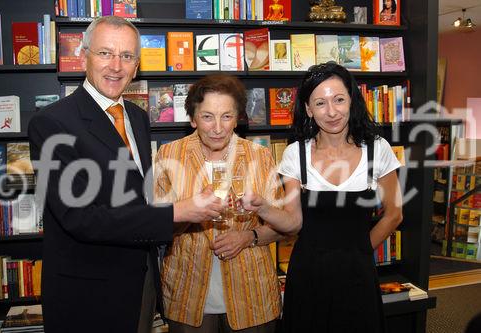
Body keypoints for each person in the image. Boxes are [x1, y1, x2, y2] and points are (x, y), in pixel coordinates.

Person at [28, 16, 224, 333]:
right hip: (87, 293)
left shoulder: (136, 116)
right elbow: (79, 218)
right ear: (83, 57)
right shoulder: (52, 124)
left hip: (141, 281)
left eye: (127, 56)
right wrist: (177, 212)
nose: (116, 66)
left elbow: (135, 194)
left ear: (136, 67)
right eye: (105, 53)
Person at [242, 62, 403, 332]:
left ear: (351, 99)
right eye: (320, 103)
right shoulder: (296, 154)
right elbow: (293, 221)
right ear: (308, 109)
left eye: (339, 99)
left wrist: (359, 251)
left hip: (358, 276)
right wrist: (265, 207)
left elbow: (394, 214)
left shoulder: (378, 149)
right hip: (308, 276)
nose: (331, 112)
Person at [154, 74, 283, 333]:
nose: (217, 127)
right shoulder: (169, 155)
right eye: (207, 116)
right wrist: (188, 212)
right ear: (192, 118)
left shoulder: (260, 156)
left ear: (237, 118)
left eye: (226, 116)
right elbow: (153, 226)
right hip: (187, 297)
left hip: (252, 297)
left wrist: (249, 237)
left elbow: (284, 223)